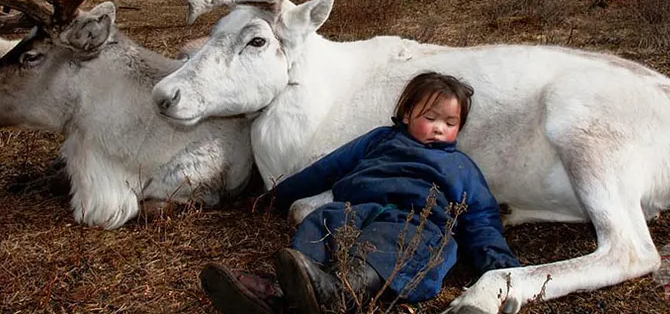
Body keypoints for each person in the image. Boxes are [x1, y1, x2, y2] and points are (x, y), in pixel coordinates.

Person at [200, 72, 519, 314]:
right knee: (322, 221)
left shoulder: (461, 167)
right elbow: (327, 169)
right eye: (430, 117)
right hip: (356, 210)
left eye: (450, 122)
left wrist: (502, 267)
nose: (439, 128)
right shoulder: (379, 140)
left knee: (393, 241)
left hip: (414, 224)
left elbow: (481, 218)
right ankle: (285, 293)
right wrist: (274, 198)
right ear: (407, 115)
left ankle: (339, 291)